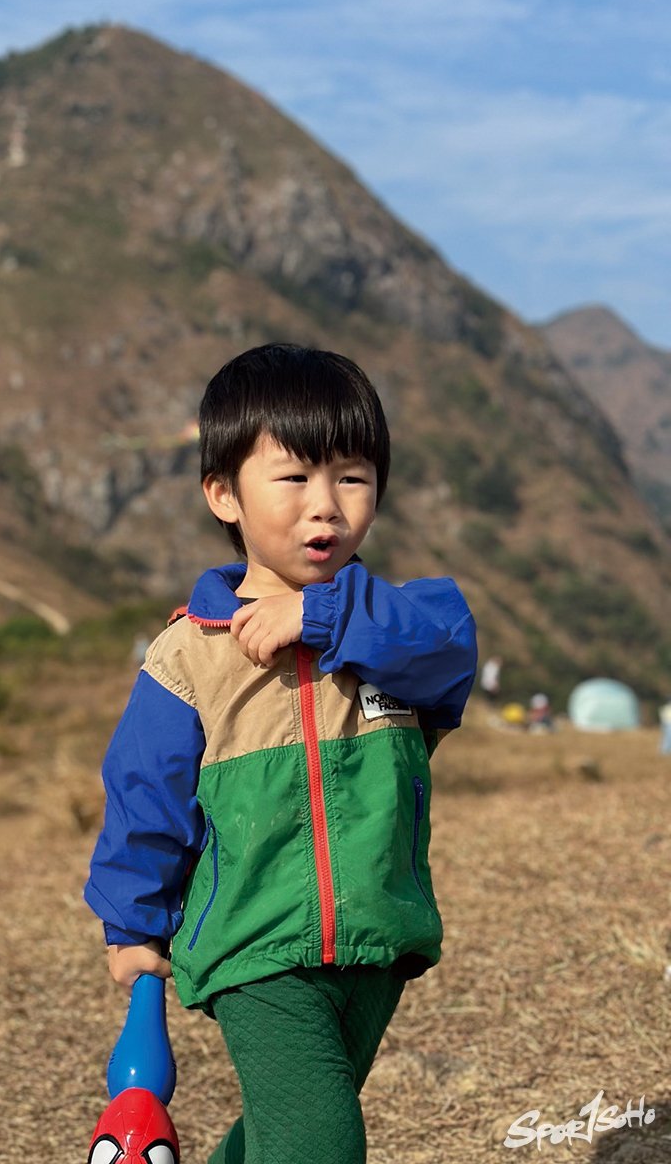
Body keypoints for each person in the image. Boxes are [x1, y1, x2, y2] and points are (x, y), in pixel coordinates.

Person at [84, 344, 478, 1164]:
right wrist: (132, 924)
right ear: (224, 494)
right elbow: (143, 795)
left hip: (377, 941)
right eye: (294, 478)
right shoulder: (190, 655)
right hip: (256, 946)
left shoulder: (404, 626)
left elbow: (449, 652)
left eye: (353, 477)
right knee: (321, 1145)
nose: (325, 506)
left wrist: (324, 617)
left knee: (281, 1137)